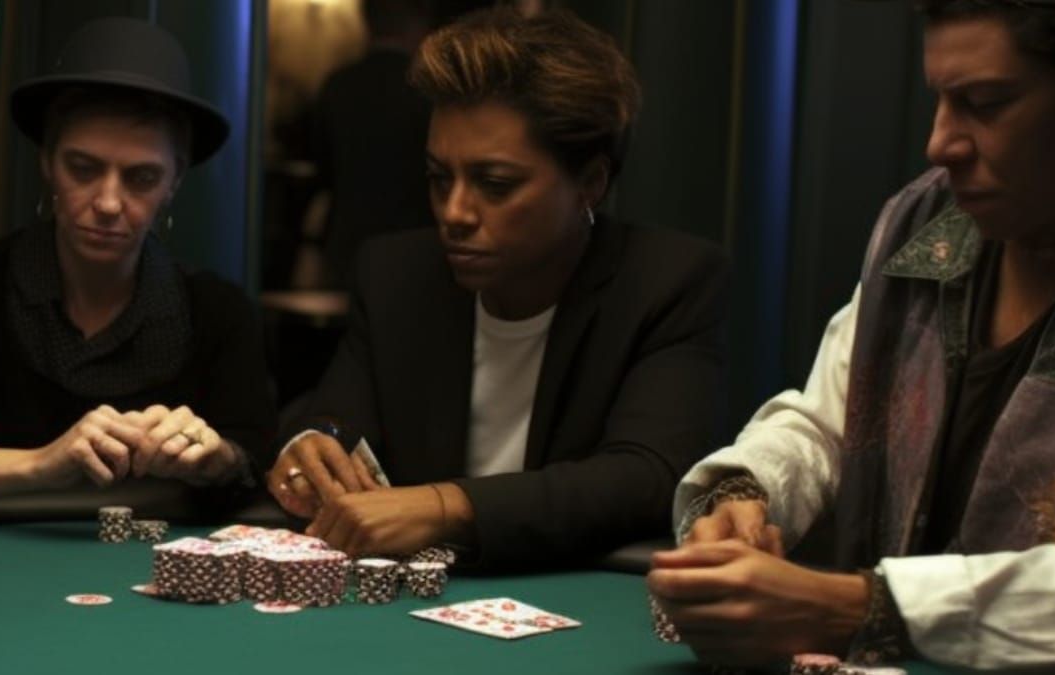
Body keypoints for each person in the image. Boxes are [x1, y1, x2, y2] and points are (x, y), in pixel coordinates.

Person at [648, 0, 1055, 669]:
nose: (940, 143)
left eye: (987, 104)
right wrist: (748, 492)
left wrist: (860, 605)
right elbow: (830, 422)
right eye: (940, 99)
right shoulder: (926, 220)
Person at [266, 8, 728, 569]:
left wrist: (446, 504)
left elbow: (647, 476)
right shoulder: (396, 273)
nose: (455, 212)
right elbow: (335, 418)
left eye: (495, 184)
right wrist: (311, 445)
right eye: (440, 178)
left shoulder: (667, 280)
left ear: (590, 184)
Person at [0, 17, 276, 507]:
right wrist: (41, 464)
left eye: (141, 178)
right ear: (47, 162)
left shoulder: (218, 312)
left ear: (174, 182)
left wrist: (216, 456)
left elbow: (258, 465)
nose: (110, 202)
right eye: (84, 169)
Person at [307, 0, 435, 289]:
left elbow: (322, 169)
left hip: (346, 245)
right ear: (417, 26)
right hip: (413, 247)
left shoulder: (338, 86)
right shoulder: (426, 91)